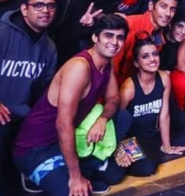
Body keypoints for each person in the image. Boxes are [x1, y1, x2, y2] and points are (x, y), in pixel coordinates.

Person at [12, 15, 131, 196]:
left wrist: (102, 120)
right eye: (108, 35)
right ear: (95, 37)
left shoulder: (107, 63)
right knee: (77, 192)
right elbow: (63, 124)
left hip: (66, 141)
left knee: (122, 118)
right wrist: (75, 177)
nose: (114, 42)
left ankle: (83, 169)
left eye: (120, 37)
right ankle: (37, 175)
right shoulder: (80, 67)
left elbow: (114, 98)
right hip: (36, 147)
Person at [0, 0, 57, 192]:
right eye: (38, 5)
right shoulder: (3, 33)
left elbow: (42, 92)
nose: (45, 10)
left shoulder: (49, 47)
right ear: (24, 9)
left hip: (22, 116)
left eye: (50, 6)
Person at [119, 34, 185, 177]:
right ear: (136, 63)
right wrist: (120, 149)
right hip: (129, 139)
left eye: (155, 54)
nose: (152, 59)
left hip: (150, 137)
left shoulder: (164, 78)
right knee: (147, 168)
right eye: (145, 56)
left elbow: (164, 115)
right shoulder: (129, 88)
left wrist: (167, 146)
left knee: (153, 160)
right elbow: (116, 121)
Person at [113, 0, 179, 85]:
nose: (168, 13)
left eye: (172, 9)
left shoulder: (160, 37)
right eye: (163, 6)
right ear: (151, 5)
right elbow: (112, 66)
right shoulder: (130, 26)